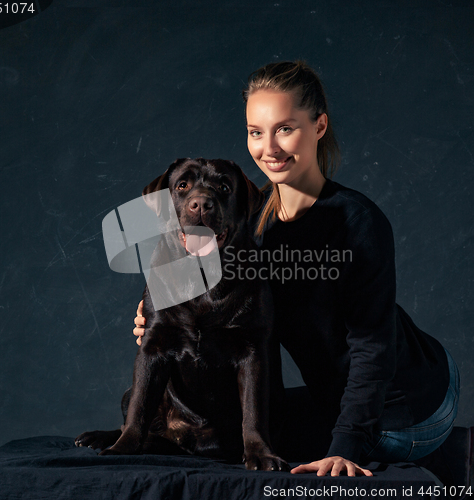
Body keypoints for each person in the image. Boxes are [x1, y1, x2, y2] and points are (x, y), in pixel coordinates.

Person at [133, 61, 460, 477]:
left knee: (287, 447)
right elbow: (193, 271)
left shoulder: (357, 222)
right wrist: (156, 311)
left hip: (410, 404)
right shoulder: (248, 217)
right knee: (233, 435)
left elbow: (373, 348)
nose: (268, 148)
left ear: (319, 126)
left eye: (285, 128)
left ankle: (446, 447)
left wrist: (345, 448)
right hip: (337, 394)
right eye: (256, 132)